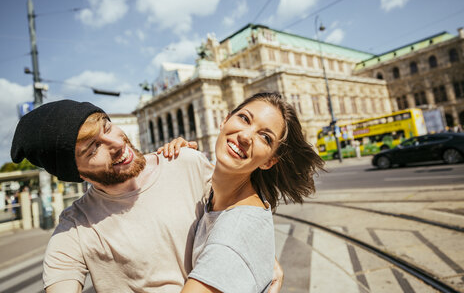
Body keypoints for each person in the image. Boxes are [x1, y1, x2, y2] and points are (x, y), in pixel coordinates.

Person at [10, 100, 283, 293]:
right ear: (77, 173)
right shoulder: (75, 229)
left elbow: (237, 214)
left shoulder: (184, 161)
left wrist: (261, 257)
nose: (117, 143)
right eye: (93, 148)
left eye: (107, 127)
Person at [159, 92, 324, 293]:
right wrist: (180, 158)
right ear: (225, 120)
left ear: (268, 161)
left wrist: (242, 249)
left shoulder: (233, 237)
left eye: (265, 137)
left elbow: (236, 240)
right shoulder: (223, 194)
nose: (245, 136)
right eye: (244, 118)